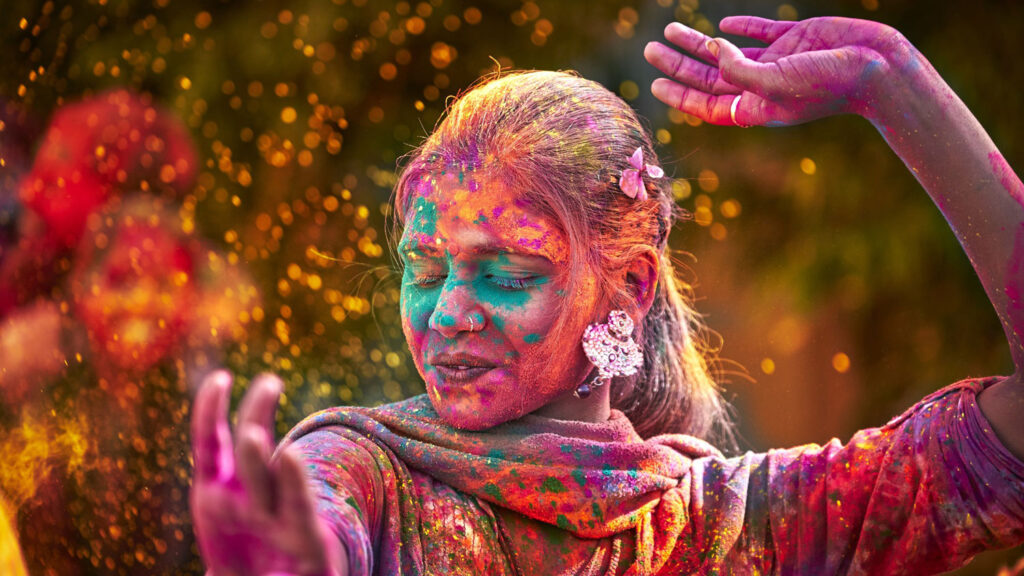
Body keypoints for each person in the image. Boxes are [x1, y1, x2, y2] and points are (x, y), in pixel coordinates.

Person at [189, 15, 1024, 575]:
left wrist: (895, 83)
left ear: (627, 289)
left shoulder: (739, 527)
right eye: (427, 268)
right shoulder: (365, 476)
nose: (448, 314)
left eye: (507, 274)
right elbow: (316, 525)